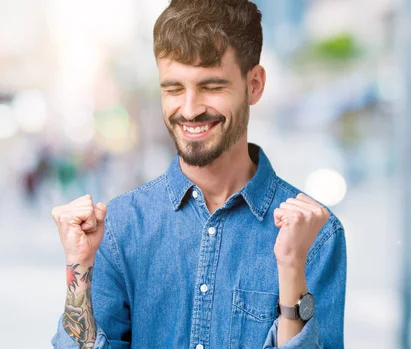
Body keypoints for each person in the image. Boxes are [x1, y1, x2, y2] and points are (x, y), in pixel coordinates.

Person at [50, 0, 346, 348]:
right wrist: (79, 266)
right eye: (173, 89)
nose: (189, 110)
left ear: (254, 84)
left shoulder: (317, 235)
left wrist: (292, 266)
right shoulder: (119, 228)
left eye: (211, 86)